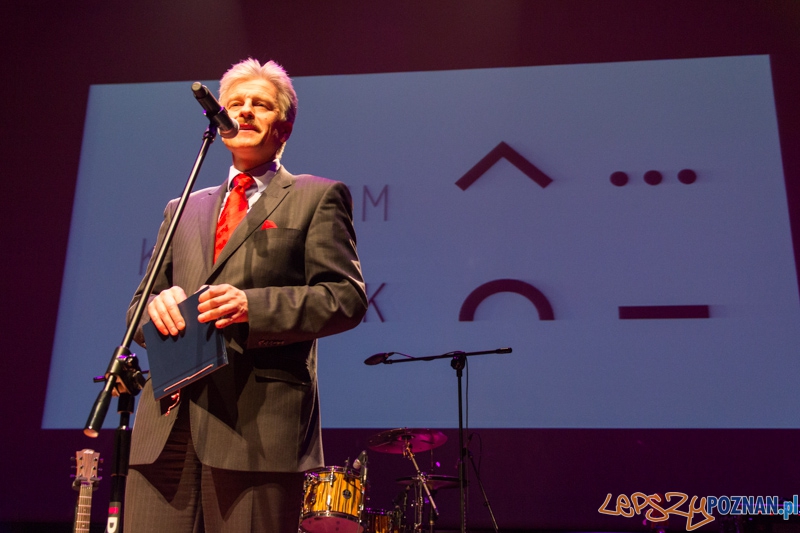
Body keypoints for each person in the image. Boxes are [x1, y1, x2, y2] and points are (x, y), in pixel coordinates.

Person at [123, 58, 368, 532]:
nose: (246, 112)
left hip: (257, 425)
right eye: (236, 104)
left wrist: (252, 307)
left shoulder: (316, 196)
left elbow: (345, 298)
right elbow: (139, 308)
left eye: (261, 104)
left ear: (285, 127)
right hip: (167, 427)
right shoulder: (184, 207)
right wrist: (155, 308)